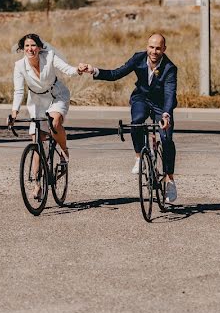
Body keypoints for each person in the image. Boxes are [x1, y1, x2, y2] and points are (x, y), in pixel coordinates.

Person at [79, 33, 178, 202]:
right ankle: (139, 157)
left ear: (164, 49)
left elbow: (170, 93)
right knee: (136, 122)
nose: (154, 51)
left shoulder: (170, 68)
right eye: (151, 47)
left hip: (161, 104)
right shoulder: (138, 58)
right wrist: (93, 70)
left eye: (158, 48)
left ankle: (170, 180)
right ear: (147, 47)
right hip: (141, 98)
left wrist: (166, 114)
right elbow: (116, 73)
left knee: (166, 137)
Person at [11, 33, 80, 169]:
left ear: (40, 48)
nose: (30, 49)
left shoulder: (49, 57)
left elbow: (67, 69)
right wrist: (14, 112)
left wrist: (78, 69)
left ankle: (64, 150)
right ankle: (37, 184)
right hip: (37, 101)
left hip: (56, 95)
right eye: (27, 46)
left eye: (33, 45)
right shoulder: (19, 65)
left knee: (54, 123)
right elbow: (18, 91)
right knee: (38, 141)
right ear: (23, 48)